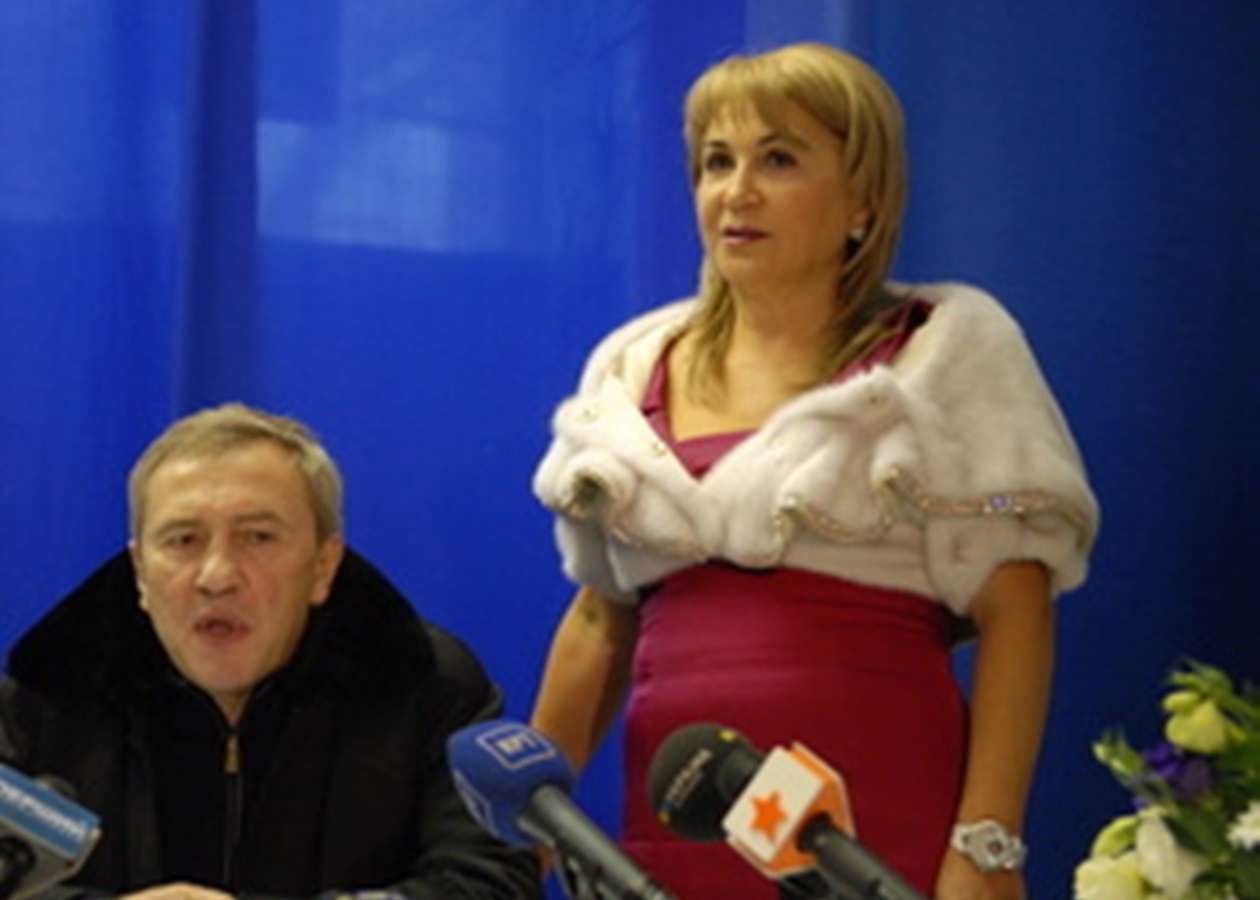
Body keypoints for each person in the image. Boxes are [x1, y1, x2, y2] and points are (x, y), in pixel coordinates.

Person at [529, 42, 1099, 900]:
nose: (737, 191)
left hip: (879, 841)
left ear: (863, 201)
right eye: (717, 162)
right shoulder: (631, 364)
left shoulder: (946, 352)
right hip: (675, 843)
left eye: (779, 160)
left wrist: (988, 847)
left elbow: (1016, 612)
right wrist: (524, 835)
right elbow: (597, 620)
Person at [0, 403, 542, 900]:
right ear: (140, 572)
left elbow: (495, 883)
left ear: (323, 566)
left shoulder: (425, 684)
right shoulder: (48, 697)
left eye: (258, 537)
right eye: (184, 540)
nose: (217, 576)